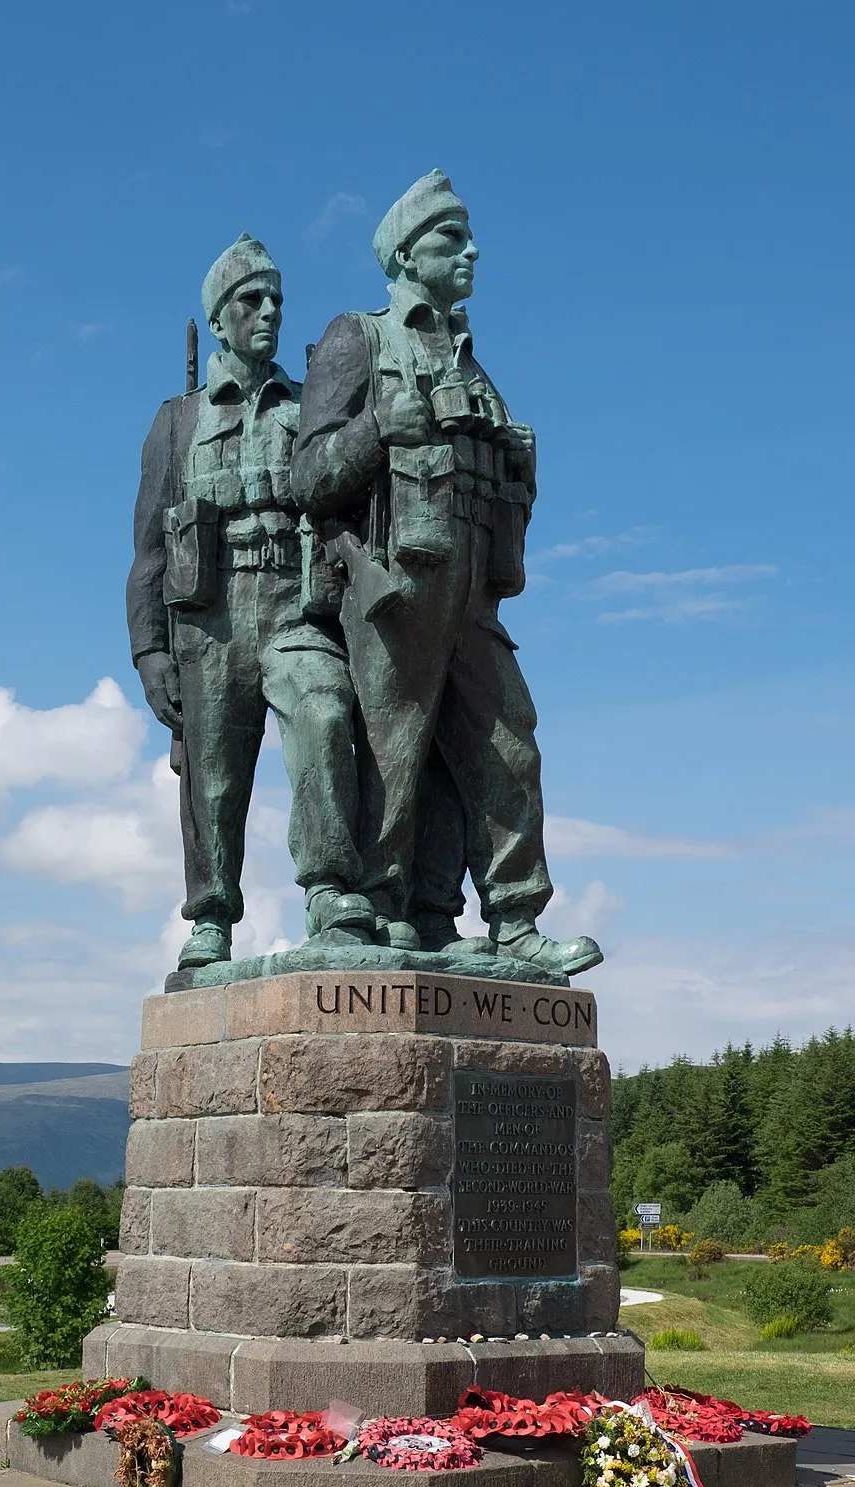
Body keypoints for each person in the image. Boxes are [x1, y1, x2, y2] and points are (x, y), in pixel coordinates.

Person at [291, 172, 602, 979]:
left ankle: (516, 919)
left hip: (474, 581)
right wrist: (376, 427)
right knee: (392, 751)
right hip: (400, 576)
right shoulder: (357, 337)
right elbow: (309, 475)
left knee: (510, 742)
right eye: (449, 239)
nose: (470, 253)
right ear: (403, 254)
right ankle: (378, 910)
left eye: (467, 238)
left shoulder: (471, 358)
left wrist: (518, 462)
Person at [127, 235, 373, 969]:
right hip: (210, 619)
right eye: (250, 300)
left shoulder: (310, 407)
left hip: (295, 607)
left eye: (275, 300)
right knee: (214, 771)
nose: (267, 312)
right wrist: (149, 654)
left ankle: (330, 887)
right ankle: (211, 915)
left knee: (325, 712)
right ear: (220, 315)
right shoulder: (177, 421)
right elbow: (146, 552)